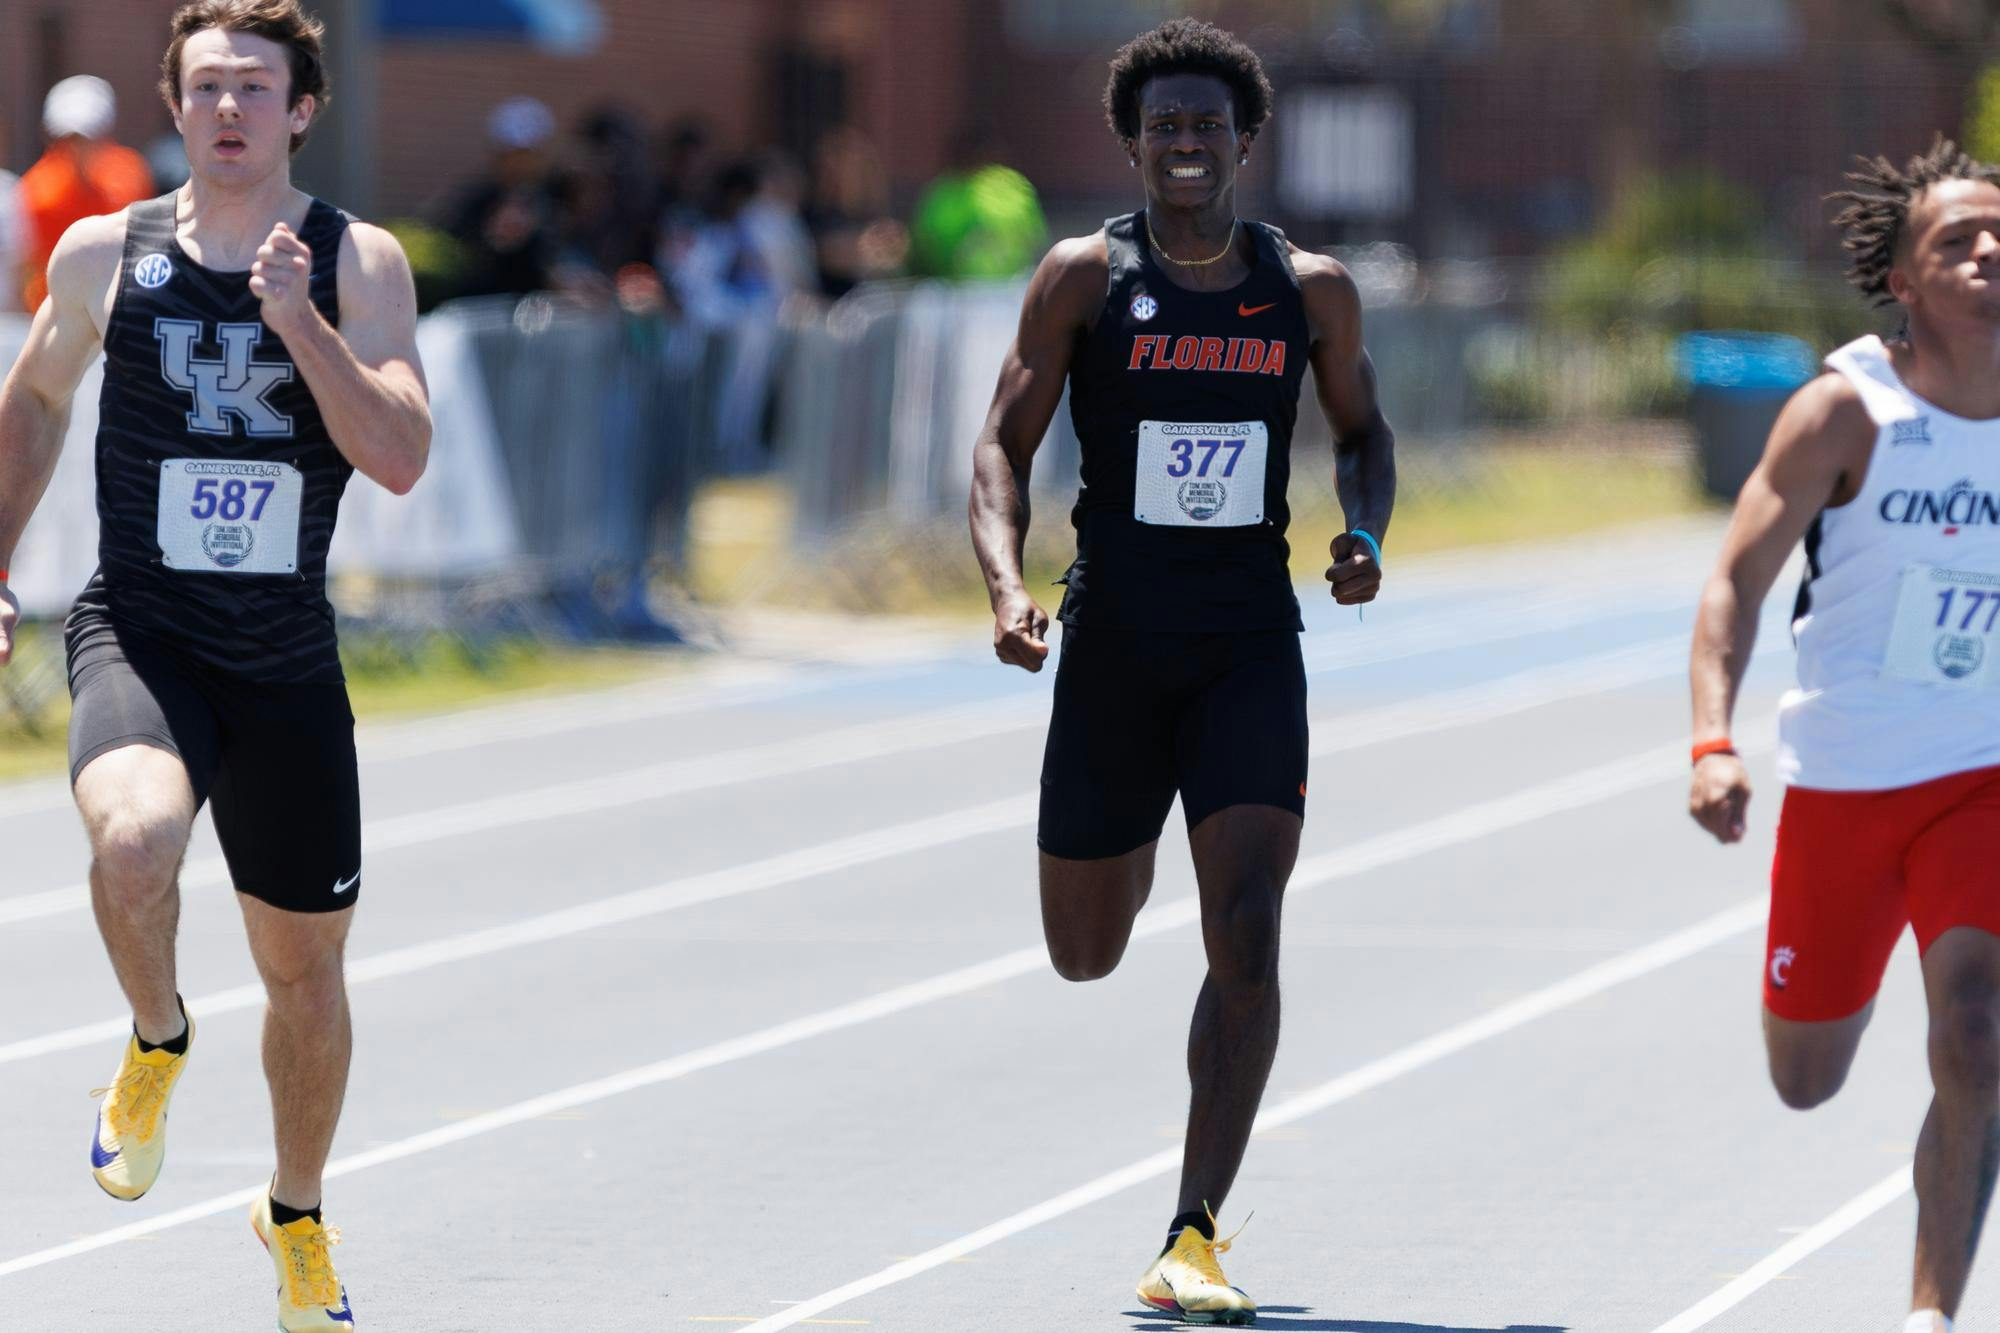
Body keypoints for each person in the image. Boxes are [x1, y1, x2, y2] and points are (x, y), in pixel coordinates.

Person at [0, 2, 430, 1328]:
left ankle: (295, 1213)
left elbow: (402, 455)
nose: (229, 109)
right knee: (132, 843)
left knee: (305, 974)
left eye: (256, 86)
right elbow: (31, 404)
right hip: (142, 626)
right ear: (173, 106)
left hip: (286, 659)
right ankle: (157, 1036)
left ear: (304, 108)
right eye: (206, 88)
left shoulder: (359, 263)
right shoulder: (99, 256)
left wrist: (300, 323)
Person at [967, 18, 1394, 1325]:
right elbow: (1001, 448)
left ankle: (1192, 1231)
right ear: (1134, 144)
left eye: (1210, 124)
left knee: (1251, 927)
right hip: (1111, 647)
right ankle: (1143, 835)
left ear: (1246, 140)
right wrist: (1004, 584)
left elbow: (1365, 434)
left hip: (1249, 645)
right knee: (1085, 951)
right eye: (1166, 127)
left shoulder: (1307, 288)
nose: (1189, 144)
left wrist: (1365, 530)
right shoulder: (1082, 279)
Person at [1689, 137, 2000, 1333]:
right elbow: (1732, 583)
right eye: (1955, 242)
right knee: (1804, 1077)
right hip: (1848, 778)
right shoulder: (1844, 409)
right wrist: (1710, 741)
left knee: (1974, 1031)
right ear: (1903, 282)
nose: (1986, 253)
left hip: (1981, 773)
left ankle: (1928, 1315)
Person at [16, 75, 154, 313]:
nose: (77, 148)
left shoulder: (131, 175)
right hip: (54, 315)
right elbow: (26, 266)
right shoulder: (35, 189)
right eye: (68, 138)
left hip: (119, 312)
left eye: (86, 137)